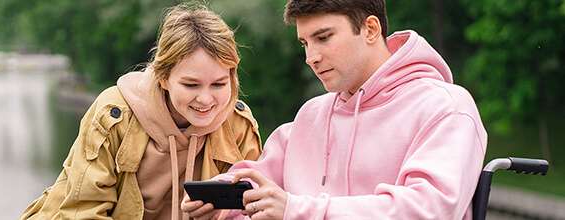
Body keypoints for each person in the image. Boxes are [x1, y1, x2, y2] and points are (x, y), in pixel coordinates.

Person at [182, 0, 487, 219]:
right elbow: (259, 182)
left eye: (323, 38)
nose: (311, 57)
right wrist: (218, 199)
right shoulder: (311, 116)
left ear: (369, 29)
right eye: (304, 43)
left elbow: (428, 210)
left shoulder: (445, 107)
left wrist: (296, 210)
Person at [20, 2, 262, 220]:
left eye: (219, 84)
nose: (206, 99)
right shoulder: (113, 115)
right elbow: (82, 211)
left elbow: (255, 210)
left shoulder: (238, 125)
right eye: (191, 84)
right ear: (163, 77)